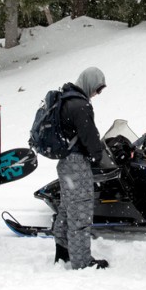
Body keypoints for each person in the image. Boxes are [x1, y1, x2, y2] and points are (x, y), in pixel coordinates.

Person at [53, 67, 110, 271]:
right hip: (77, 162)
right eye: (97, 88)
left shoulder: (66, 99)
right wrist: (97, 155)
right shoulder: (81, 105)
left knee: (68, 207)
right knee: (81, 211)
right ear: (89, 83)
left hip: (65, 162)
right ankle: (82, 262)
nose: (97, 93)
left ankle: (62, 251)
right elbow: (89, 135)